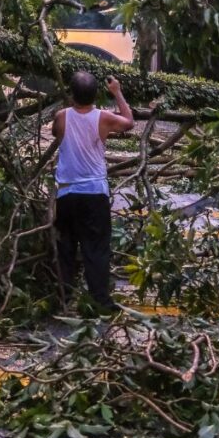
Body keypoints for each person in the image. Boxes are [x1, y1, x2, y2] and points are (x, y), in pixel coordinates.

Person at [52, 71, 134, 312]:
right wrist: (117, 92)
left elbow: (57, 135)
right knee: (96, 248)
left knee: (66, 247)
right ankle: (100, 300)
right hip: (95, 192)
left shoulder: (61, 116)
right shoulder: (104, 118)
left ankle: (64, 298)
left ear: (71, 94)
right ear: (96, 93)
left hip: (67, 193)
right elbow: (129, 122)